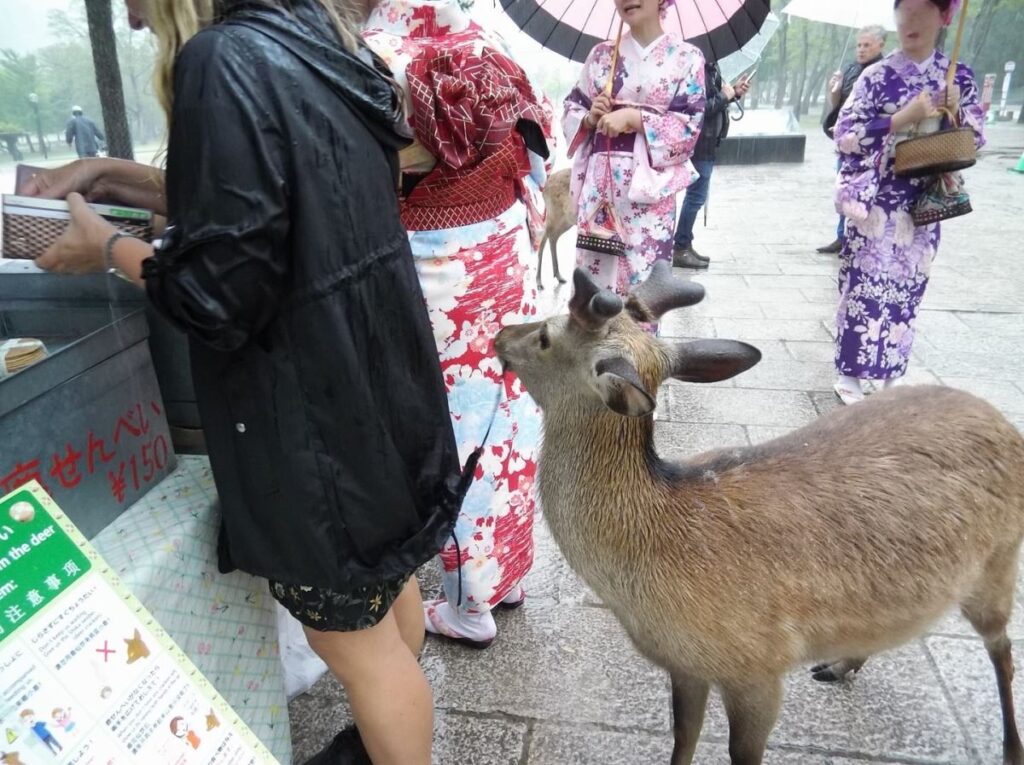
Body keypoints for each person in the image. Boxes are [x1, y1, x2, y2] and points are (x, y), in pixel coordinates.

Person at [24, 1, 466, 763]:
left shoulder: (221, 58)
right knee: (386, 589)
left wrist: (105, 247)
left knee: (355, 646)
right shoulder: (317, 38)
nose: (129, 18)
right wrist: (107, 174)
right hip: (377, 386)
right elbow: (267, 200)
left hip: (314, 412)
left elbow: (216, 297)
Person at [364, 0, 551, 648]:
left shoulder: (374, 48)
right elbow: (536, 145)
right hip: (502, 241)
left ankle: (471, 605)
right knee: (510, 411)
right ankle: (506, 575)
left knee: (459, 427)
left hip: (437, 256)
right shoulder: (487, 32)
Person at [831, 0, 984, 405]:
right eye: (904, 11)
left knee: (908, 287)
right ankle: (849, 373)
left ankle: (892, 372)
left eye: (922, 11)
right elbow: (844, 133)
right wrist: (901, 118)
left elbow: (975, 139)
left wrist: (956, 111)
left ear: (944, 17)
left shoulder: (958, 75)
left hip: (922, 203)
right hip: (877, 201)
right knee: (863, 287)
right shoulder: (876, 76)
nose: (910, 21)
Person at [564, 0, 705, 299]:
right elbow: (572, 108)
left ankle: (639, 332)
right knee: (593, 291)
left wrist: (635, 119)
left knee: (644, 292)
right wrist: (590, 117)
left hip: (649, 195)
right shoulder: (601, 55)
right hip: (601, 190)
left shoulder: (687, 57)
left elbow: (689, 128)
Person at [671, 61, 750, 269]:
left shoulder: (711, 68)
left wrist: (734, 93)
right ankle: (680, 247)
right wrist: (724, 95)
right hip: (700, 144)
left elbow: (715, 101)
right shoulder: (697, 68)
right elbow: (698, 110)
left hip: (709, 142)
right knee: (695, 197)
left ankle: (684, 243)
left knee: (696, 197)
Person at [817, 26, 887, 255]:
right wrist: (834, 90)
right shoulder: (850, 69)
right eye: (859, 45)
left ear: (881, 45)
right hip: (847, 145)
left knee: (866, 193)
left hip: (872, 146)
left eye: (867, 45)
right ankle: (842, 236)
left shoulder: (885, 73)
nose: (861, 49)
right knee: (844, 190)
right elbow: (839, 105)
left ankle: (862, 238)